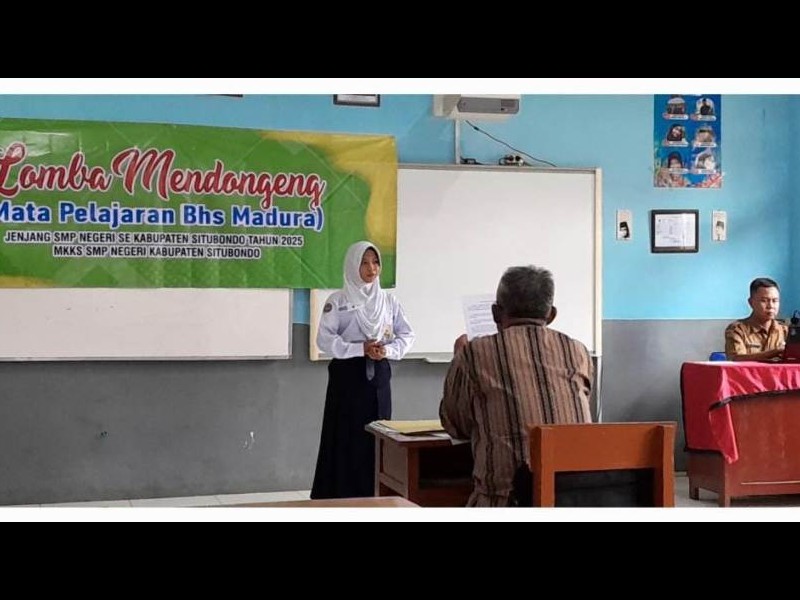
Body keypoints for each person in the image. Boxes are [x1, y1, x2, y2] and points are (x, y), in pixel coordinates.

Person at [439, 265, 593, 507]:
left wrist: (458, 360)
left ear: (495, 313)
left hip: (506, 502)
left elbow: (455, 426)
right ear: (551, 315)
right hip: (573, 500)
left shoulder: (474, 354)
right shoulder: (578, 352)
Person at [311, 241, 415, 498]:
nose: (372, 268)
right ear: (352, 266)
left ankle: (377, 491)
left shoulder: (388, 301)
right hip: (348, 376)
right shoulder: (338, 300)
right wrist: (360, 349)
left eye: (376, 262)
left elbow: (406, 335)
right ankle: (343, 493)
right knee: (347, 434)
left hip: (378, 376)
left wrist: (387, 351)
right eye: (365, 263)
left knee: (379, 433)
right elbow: (325, 340)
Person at [725, 277, 788, 361]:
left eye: (775, 301)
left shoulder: (785, 331)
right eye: (764, 301)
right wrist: (775, 352)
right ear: (751, 303)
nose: (771, 306)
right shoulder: (737, 329)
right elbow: (736, 359)